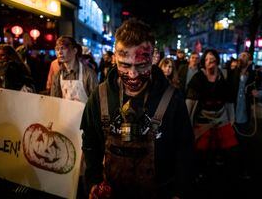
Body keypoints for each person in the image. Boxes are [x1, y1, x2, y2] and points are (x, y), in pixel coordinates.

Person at [80, 18, 195, 199]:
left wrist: (180, 192)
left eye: (141, 66)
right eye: (125, 65)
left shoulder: (172, 98)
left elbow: (185, 149)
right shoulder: (99, 95)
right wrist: (93, 181)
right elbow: (90, 141)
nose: (133, 75)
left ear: (153, 58)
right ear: (115, 58)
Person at [185, 49, 237, 179]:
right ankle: (200, 172)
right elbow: (190, 101)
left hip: (221, 118)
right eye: (207, 59)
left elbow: (229, 99)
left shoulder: (222, 77)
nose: (210, 62)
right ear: (204, 62)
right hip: (203, 119)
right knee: (201, 150)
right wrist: (187, 120)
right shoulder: (198, 78)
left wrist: (232, 118)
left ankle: (219, 173)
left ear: (217, 61)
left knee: (226, 149)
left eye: (212, 59)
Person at [227, 51, 259, 179]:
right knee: (230, 143)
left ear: (249, 60)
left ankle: (243, 169)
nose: (241, 58)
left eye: (244, 56)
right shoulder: (233, 72)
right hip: (232, 113)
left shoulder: (252, 74)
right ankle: (230, 169)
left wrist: (255, 93)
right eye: (240, 56)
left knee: (243, 144)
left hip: (244, 113)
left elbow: (254, 88)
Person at [50, 36, 98, 103]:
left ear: (75, 50)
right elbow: (54, 101)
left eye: (63, 48)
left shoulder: (88, 74)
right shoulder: (58, 75)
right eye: (57, 49)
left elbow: (96, 101)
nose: (60, 52)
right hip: (64, 113)